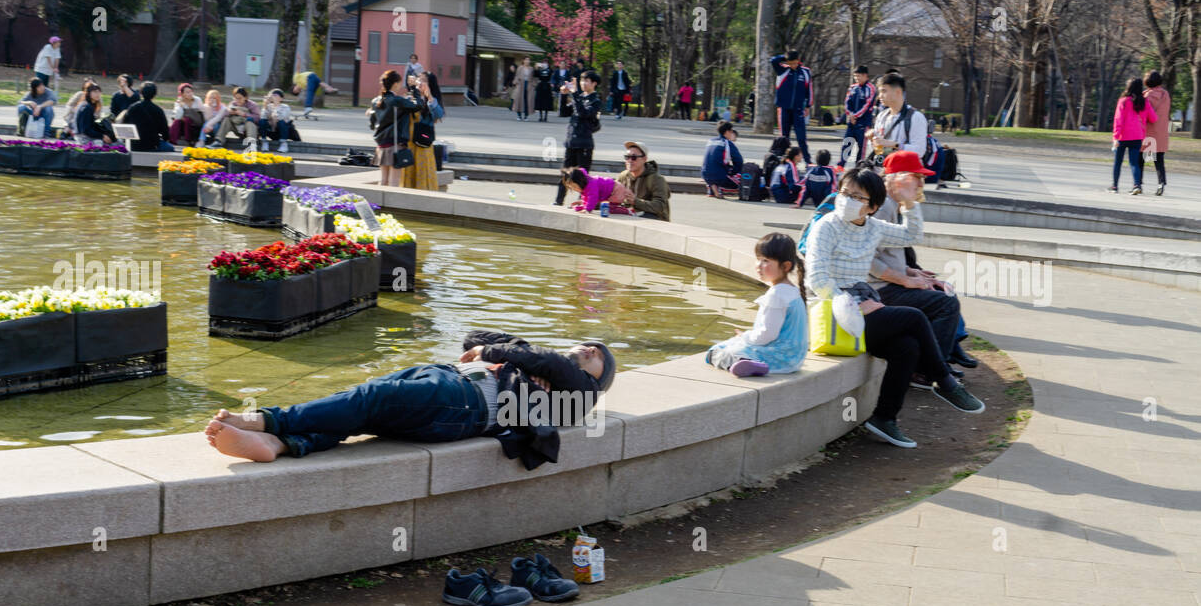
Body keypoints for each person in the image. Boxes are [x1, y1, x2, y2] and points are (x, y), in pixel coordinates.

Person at [204, 332, 616, 470]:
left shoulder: (579, 394)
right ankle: (287, 444)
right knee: (363, 409)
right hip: (447, 379)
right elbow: (472, 339)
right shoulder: (535, 367)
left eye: (595, 355)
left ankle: (265, 422)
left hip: (467, 401)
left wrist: (499, 356)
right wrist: (510, 349)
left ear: (597, 381)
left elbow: (543, 359)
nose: (585, 349)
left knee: (370, 398)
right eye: (584, 345)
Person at [805, 167, 984, 448]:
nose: (846, 200)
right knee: (912, 317)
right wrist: (849, 306)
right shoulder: (826, 226)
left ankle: (884, 419)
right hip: (830, 312)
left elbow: (912, 234)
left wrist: (909, 203)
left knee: (907, 347)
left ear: (873, 207)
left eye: (857, 197)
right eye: (844, 193)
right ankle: (944, 380)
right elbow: (816, 279)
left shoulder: (873, 228)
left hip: (860, 306)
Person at [868, 150, 964, 386]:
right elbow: (866, 258)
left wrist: (911, 272)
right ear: (898, 179)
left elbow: (888, 251)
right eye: (916, 177)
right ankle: (927, 371)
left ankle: (935, 364)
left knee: (943, 294)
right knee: (946, 304)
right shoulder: (882, 207)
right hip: (878, 289)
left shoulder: (892, 204)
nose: (922, 182)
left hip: (887, 284)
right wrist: (903, 280)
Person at [706, 233, 809, 377]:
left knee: (716, 351)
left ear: (786, 266)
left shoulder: (776, 295)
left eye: (766, 261)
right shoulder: (792, 291)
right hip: (794, 359)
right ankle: (748, 362)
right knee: (732, 345)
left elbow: (767, 334)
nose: (759, 266)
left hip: (777, 358)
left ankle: (745, 362)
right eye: (758, 259)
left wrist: (745, 336)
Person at [367, 70, 426, 187]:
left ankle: (379, 204)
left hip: (381, 145)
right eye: (399, 83)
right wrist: (414, 88)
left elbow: (372, 125)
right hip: (395, 143)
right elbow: (418, 105)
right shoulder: (397, 100)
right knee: (394, 181)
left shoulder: (375, 101)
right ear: (395, 84)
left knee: (383, 180)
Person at [554, 70, 602, 206]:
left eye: (586, 81)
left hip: (584, 144)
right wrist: (563, 95)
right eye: (581, 80)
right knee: (565, 174)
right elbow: (563, 112)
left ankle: (583, 202)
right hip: (571, 142)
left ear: (594, 83)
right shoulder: (579, 97)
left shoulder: (595, 101)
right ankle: (558, 201)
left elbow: (583, 113)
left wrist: (574, 93)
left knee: (583, 177)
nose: (583, 83)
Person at [1110, 77, 1156, 195]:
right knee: (1134, 163)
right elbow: (1154, 118)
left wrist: (1116, 137)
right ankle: (1137, 185)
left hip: (1122, 137)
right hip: (1137, 136)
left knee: (1118, 162)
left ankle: (1115, 186)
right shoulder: (1144, 102)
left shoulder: (1123, 101)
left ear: (1128, 87)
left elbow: (1118, 120)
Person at [869, 72, 927, 160]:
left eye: (884, 91)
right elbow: (879, 151)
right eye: (879, 92)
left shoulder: (915, 117)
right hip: (883, 170)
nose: (879, 96)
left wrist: (894, 145)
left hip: (905, 171)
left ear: (898, 92)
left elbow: (920, 151)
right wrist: (872, 141)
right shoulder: (882, 116)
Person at [770, 49, 813, 164]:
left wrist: (808, 106)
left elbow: (809, 90)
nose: (793, 65)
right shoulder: (782, 70)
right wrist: (785, 57)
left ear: (798, 61)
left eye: (795, 63)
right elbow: (773, 60)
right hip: (784, 109)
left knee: (801, 138)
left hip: (798, 109)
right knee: (784, 138)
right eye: (790, 63)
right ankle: (783, 162)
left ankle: (808, 162)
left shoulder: (805, 72)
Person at [400, 74, 440, 191]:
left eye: (423, 81)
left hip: (423, 142)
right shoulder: (409, 98)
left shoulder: (432, 100)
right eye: (418, 80)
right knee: (408, 170)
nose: (419, 83)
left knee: (423, 168)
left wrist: (429, 96)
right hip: (409, 141)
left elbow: (438, 116)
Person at [615, 141, 670, 220]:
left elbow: (660, 206)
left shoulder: (657, 179)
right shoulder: (623, 176)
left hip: (654, 222)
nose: (630, 161)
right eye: (627, 157)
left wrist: (635, 201)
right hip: (631, 216)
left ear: (644, 159)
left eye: (634, 157)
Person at [123, 81, 174, 151]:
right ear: (154, 94)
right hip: (152, 144)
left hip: (133, 144)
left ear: (140, 93)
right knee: (171, 148)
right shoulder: (158, 110)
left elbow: (124, 123)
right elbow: (165, 132)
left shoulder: (132, 107)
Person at [1143, 70, 1170, 196]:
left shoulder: (1146, 96)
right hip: (1162, 133)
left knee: (1140, 159)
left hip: (1148, 132)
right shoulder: (1166, 95)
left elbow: (1144, 114)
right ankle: (1161, 182)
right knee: (1159, 160)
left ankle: (1138, 183)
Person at [841, 65, 875, 166]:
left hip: (863, 123)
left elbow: (867, 105)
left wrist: (855, 116)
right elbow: (847, 102)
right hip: (851, 122)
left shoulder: (871, 88)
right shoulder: (852, 88)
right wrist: (850, 114)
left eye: (859, 76)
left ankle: (858, 167)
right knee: (847, 143)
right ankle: (841, 165)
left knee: (861, 148)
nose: (857, 79)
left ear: (865, 75)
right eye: (855, 76)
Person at [561, 167, 632, 214]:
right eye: (571, 187)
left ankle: (628, 211)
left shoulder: (591, 185)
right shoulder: (586, 184)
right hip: (613, 189)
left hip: (616, 190)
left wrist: (587, 209)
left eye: (574, 187)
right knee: (604, 207)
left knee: (609, 208)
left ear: (580, 181)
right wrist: (583, 205)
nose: (574, 189)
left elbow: (593, 197)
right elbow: (586, 197)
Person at [700, 120, 743, 198]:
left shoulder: (710, 141)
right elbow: (739, 161)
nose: (732, 133)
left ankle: (712, 189)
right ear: (727, 132)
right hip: (719, 176)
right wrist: (733, 172)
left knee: (715, 168)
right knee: (741, 177)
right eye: (731, 131)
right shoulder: (727, 143)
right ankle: (719, 188)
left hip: (705, 175)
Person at [259, 88, 293, 153]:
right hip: (270, 130)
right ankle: (264, 142)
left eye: (275, 95)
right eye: (272, 95)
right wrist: (265, 106)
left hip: (280, 131)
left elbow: (282, 118)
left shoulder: (285, 107)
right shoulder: (268, 106)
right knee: (262, 121)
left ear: (281, 99)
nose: (273, 96)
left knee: (282, 122)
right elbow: (262, 117)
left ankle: (283, 144)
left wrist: (276, 106)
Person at [511, 56, 534, 121]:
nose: (527, 61)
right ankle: (519, 115)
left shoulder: (531, 68)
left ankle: (526, 116)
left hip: (529, 85)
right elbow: (517, 76)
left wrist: (533, 84)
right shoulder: (520, 68)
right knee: (519, 99)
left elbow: (533, 78)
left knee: (528, 100)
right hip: (520, 84)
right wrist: (516, 83)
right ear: (523, 60)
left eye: (528, 60)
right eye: (526, 60)